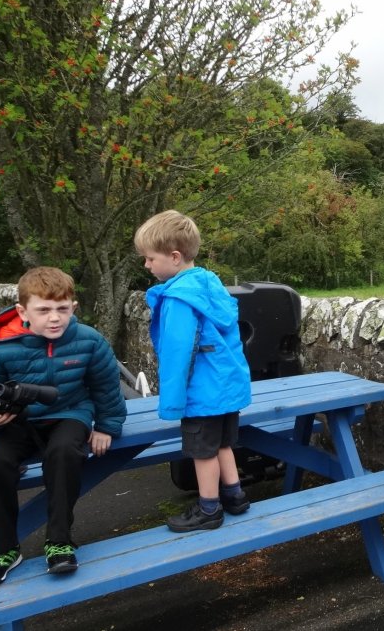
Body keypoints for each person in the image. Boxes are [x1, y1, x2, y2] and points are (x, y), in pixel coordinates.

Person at [0, 267, 126, 587]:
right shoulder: (0, 348)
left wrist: (107, 427)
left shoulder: (89, 340)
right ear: (22, 311)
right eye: (43, 310)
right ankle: (3, 550)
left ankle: (59, 541)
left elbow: (106, 387)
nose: (54, 318)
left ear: (73, 307)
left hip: (69, 413)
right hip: (19, 420)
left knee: (64, 453)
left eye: (62, 309)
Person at [134, 210, 252, 532]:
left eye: (149, 258)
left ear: (174, 257)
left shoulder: (179, 299)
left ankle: (209, 509)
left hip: (202, 392)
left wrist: (171, 403)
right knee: (223, 444)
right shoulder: (209, 284)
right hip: (226, 389)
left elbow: (177, 354)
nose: (146, 265)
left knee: (202, 452)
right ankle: (235, 495)